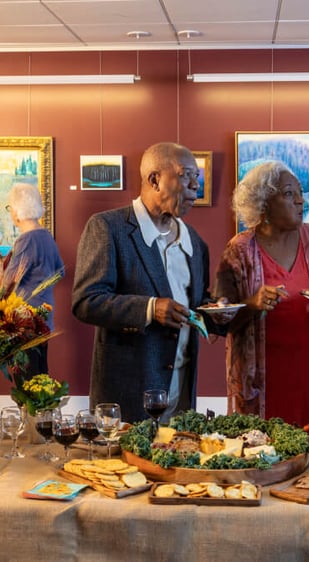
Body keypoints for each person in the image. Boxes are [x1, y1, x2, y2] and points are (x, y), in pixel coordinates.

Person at [71, 142, 229, 423]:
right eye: (185, 175)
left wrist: (215, 310)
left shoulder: (195, 241)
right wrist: (149, 308)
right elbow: (86, 302)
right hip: (127, 394)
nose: (196, 185)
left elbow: (194, 304)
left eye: (197, 177)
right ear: (154, 180)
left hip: (180, 393)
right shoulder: (107, 228)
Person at [213, 161, 309, 426]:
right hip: (259, 373)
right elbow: (220, 317)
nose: (300, 201)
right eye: (289, 194)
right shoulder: (239, 250)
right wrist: (253, 304)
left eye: (300, 193)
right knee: (260, 449)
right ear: (263, 203)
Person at [0, 182, 64, 382]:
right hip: (44, 316)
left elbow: (8, 284)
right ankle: (42, 412)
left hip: (27, 320)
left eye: (10, 208)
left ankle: (31, 414)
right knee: (40, 376)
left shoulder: (26, 240)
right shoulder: (45, 236)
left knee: (27, 380)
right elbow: (61, 271)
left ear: (17, 211)